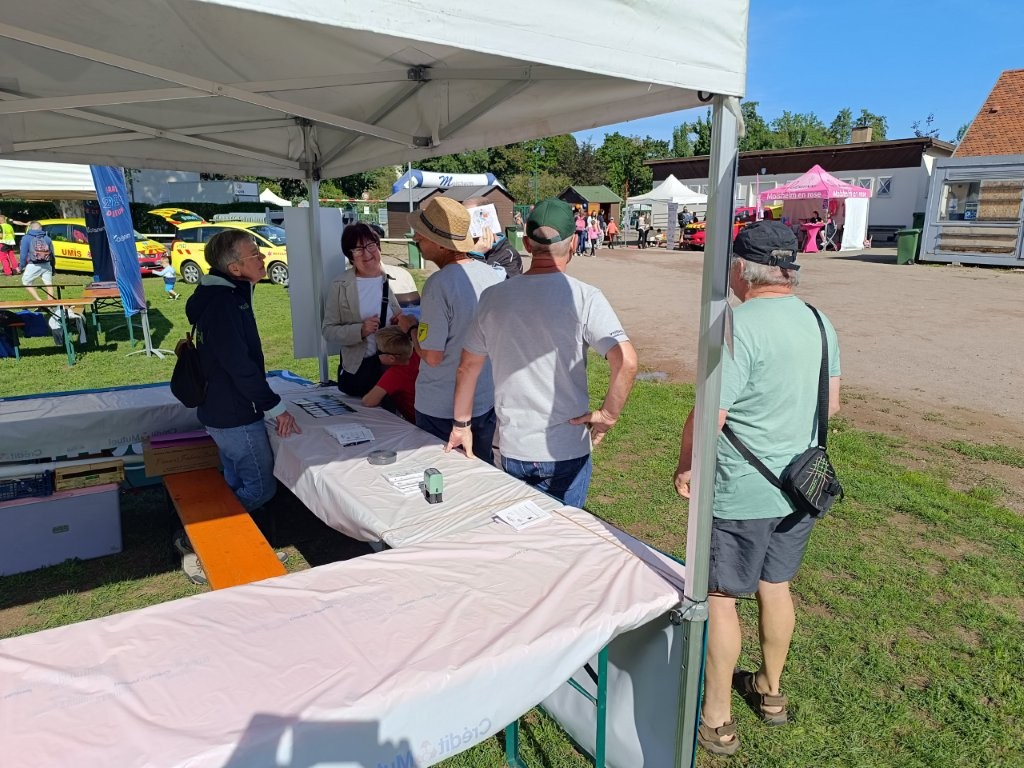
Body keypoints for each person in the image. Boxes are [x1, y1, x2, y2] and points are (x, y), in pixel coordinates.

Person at [672, 221, 840, 757]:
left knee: (721, 597)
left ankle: (717, 718)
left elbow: (711, 413)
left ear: (742, 269)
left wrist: (686, 464)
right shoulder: (819, 321)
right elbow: (832, 404)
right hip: (802, 485)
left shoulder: (733, 326)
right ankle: (770, 691)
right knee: (776, 584)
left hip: (742, 488)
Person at [445, 198, 637, 508]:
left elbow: (467, 368)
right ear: (573, 244)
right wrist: (607, 415)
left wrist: (461, 425)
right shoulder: (586, 297)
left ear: (526, 244)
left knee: (514, 530)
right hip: (566, 447)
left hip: (512, 446)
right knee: (565, 533)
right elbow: (626, 361)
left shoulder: (493, 297)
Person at [185, 229, 301, 511]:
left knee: (236, 477)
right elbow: (239, 365)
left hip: (222, 409)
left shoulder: (222, 294)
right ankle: (214, 526)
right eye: (255, 254)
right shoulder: (224, 302)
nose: (263, 258)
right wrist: (275, 407)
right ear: (234, 268)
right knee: (261, 488)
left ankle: (235, 530)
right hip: (234, 414)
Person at [395, 197, 504, 464]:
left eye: (422, 234)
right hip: (483, 400)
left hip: (442, 408)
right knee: (481, 473)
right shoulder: (491, 275)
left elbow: (432, 356)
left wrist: (411, 329)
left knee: (441, 477)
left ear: (441, 243)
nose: (416, 238)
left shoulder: (439, 284)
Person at [322, 222, 412, 396]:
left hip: (395, 371)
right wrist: (360, 330)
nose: (367, 253)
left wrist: (399, 324)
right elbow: (328, 331)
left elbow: (403, 319)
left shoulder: (397, 278)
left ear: (379, 247)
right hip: (362, 371)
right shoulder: (340, 285)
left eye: (371, 245)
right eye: (358, 249)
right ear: (350, 256)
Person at [361, 325, 419, 423]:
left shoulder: (395, 374)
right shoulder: (417, 354)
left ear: (392, 358)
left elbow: (369, 401)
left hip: (419, 423)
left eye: (378, 351)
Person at [464, 197, 523, 278]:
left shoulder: (509, 256)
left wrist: (477, 256)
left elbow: (504, 285)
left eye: (469, 219)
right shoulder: (465, 249)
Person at [18, 221, 56, 301]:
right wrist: (53, 268)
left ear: (30, 228)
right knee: (49, 284)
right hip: (46, 264)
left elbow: (23, 255)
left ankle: (39, 301)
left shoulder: (26, 238)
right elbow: (52, 254)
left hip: (33, 264)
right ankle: (50, 304)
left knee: (26, 282)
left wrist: (21, 267)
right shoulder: (47, 238)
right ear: (41, 228)